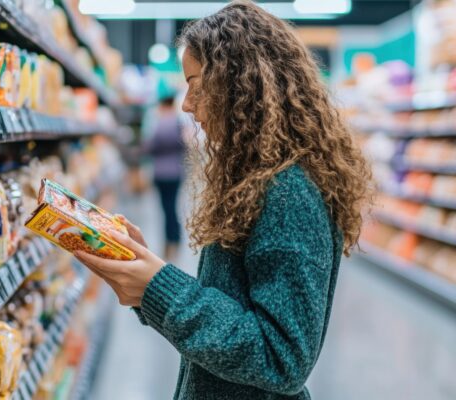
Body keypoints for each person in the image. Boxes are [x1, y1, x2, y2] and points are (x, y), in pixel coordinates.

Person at [74, 2, 372, 399]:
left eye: (196, 83)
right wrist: (145, 279)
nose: (187, 103)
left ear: (238, 83)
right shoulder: (258, 177)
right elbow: (229, 312)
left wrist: (160, 287)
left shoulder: (289, 191)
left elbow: (281, 358)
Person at [143, 94, 186, 260]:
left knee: (165, 209)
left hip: (160, 174)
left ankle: (169, 241)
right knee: (172, 207)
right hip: (176, 172)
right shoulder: (178, 122)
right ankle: (175, 239)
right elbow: (185, 147)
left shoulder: (158, 123)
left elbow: (150, 146)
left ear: (162, 105)